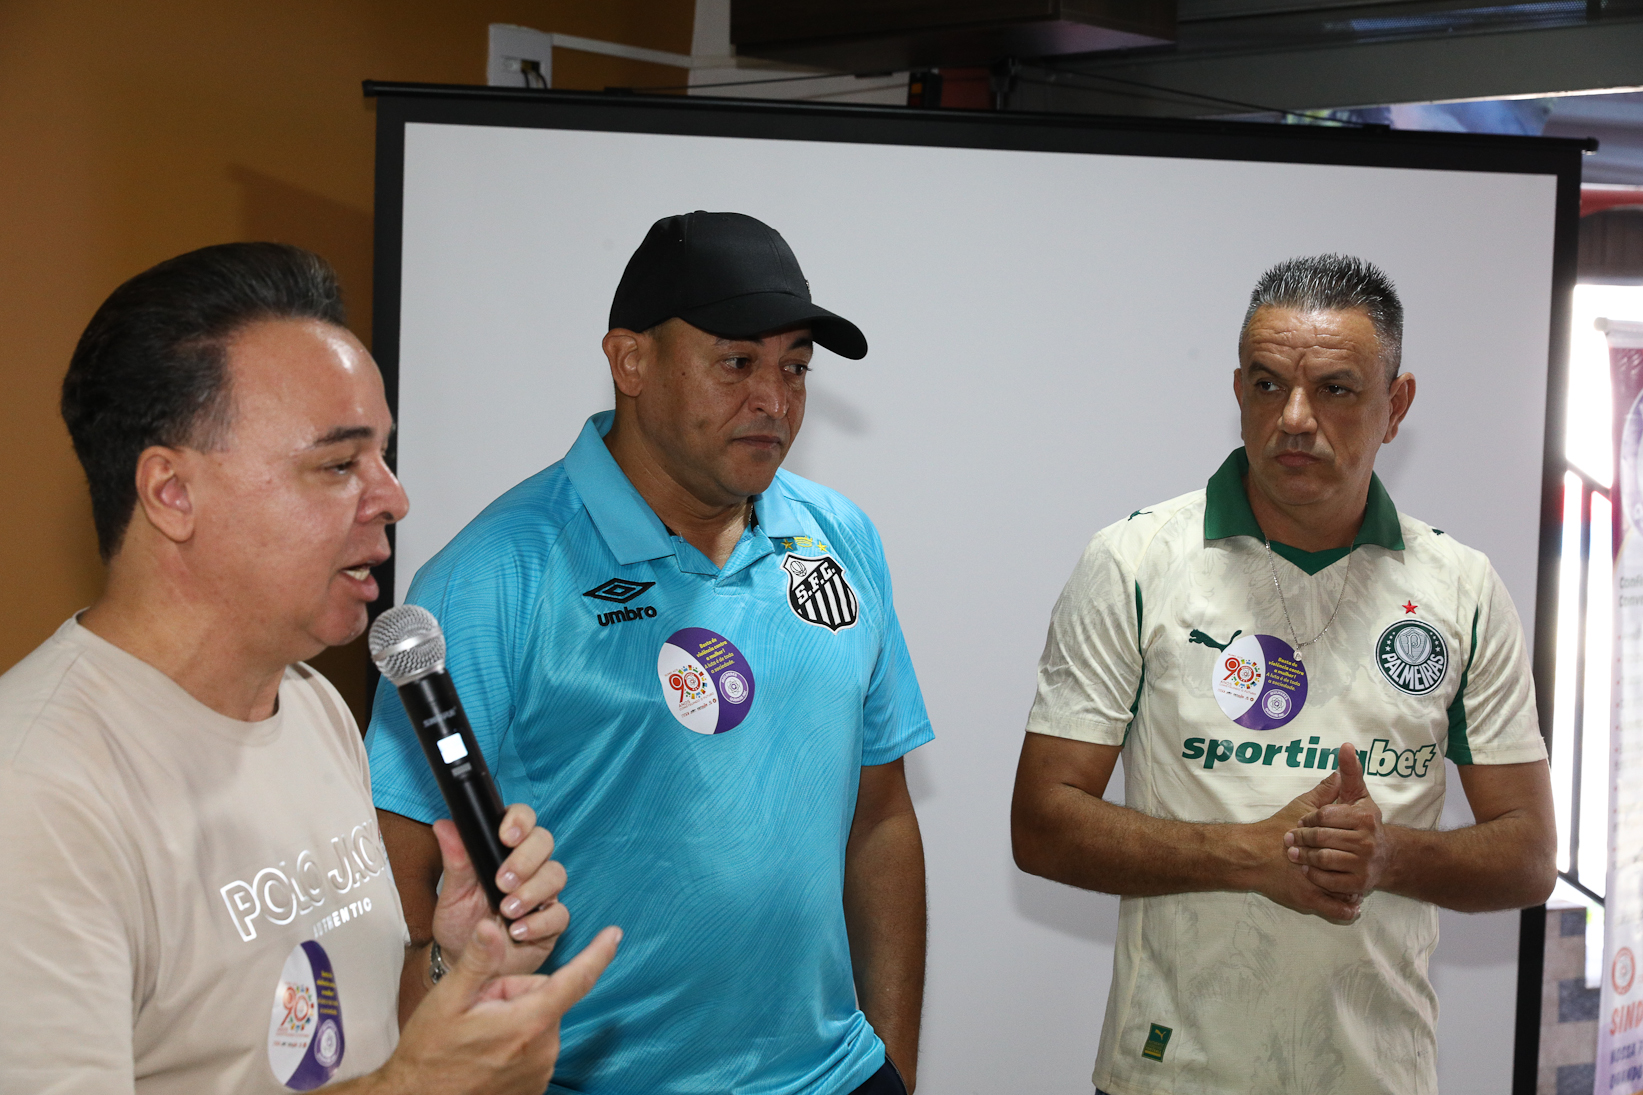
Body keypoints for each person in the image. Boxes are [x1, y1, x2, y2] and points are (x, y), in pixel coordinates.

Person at [0, 242, 619, 1094]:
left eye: (383, 455)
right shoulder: (35, 791)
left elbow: (359, 1047)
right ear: (170, 493)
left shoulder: (312, 703)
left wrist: (459, 966)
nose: (394, 496)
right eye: (338, 464)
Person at [366, 211, 932, 1095]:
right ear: (630, 361)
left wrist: (891, 1063)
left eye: (793, 368)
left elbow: (882, 817)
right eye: (736, 362)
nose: (774, 401)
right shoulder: (491, 575)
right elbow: (397, 884)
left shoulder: (839, 539)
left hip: (836, 1077)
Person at [1010, 253, 1556, 1095]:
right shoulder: (1135, 560)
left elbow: (1527, 855)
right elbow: (1042, 823)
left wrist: (1387, 857)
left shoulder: (1459, 587)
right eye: (1267, 385)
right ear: (1237, 391)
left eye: (1335, 389)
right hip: (1170, 1074)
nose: (1294, 418)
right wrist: (1250, 855)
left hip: (1378, 1073)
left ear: (1395, 405)